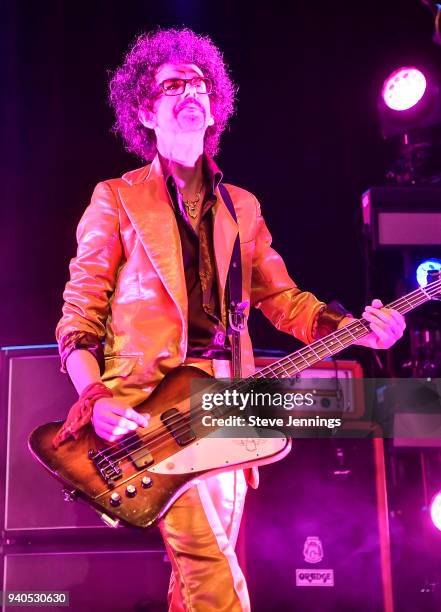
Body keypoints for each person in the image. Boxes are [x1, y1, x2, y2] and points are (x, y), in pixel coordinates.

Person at [55, 28, 406, 612]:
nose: (190, 91)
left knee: (197, 575)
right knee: (213, 574)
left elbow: (284, 300)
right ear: (145, 108)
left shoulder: (243, 207)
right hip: (150, 409)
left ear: (214, 104)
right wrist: (93, 396)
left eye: (199, 83)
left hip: (231, 404)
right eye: (173, 84)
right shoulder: (115, 198)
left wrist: (354, 329)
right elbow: (79, 314)